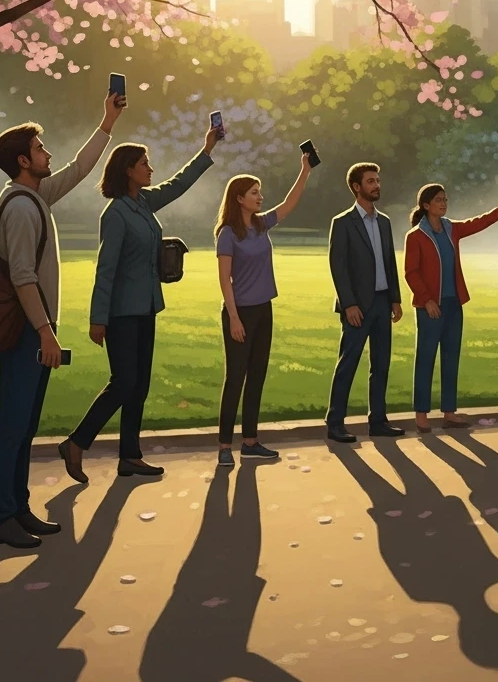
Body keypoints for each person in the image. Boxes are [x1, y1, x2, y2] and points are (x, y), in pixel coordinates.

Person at [0, 92, 124, 548]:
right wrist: (45, 331)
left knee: (25, 424)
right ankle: (3, 516)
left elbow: (79, 170)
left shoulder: (33, 193)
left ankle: (19, 507)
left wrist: (106, 122)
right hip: (28, 331)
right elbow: (22, 276)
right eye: (41, 149)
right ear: (24, 160)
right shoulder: (23, 207)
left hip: (36, 329)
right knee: (13, 425)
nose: (49, 154)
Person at [58, 124, 220, 483]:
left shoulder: (144, 203)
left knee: (140, 385)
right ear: (128, 170)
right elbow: (106, 269)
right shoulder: (114, 214)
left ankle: (130, 456)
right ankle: (76, 443)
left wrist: (206, 150)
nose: (151, 169)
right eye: (144, 163)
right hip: (120, 313)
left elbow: (178, 184)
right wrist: (97, 318)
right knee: (124, 381)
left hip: (146, 307)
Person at [213, 155, 313, 466]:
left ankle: (251, 442)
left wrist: (304, 170)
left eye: (260, 192)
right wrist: (233, 318)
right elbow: (224, 279)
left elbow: (289, 202)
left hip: (263, 310)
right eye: (255, 192)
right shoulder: (227, 233)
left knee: (257, 376)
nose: (260, 196)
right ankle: (224, 447)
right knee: (235, 379)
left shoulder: (260, 223)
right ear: (239, 198)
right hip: (239, 312)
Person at [403, 184, 498, 433]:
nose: (443, 204)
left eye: (445, 199)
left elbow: (477, 223)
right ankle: (421, 415)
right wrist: (428, 300)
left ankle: (449, 412)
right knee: (425, 359)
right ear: (426, 206)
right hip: (430, 307)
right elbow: (411, 273)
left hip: (454, 304)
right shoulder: (415, 236)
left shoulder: (451, 228)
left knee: (451, 358)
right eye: (438, 200)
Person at [326, 163, 405, 442]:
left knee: (381, 365)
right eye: (371, 181)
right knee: (348, 364)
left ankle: (378, 421)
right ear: (357, 187)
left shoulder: (384, 222)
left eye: (378, 180)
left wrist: (395, 298)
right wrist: (349, 304)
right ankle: (335, 423)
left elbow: (390, 262)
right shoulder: (343, 223)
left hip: (383, 303)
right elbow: (338, 266)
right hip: (357, 306)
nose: (377, 185)